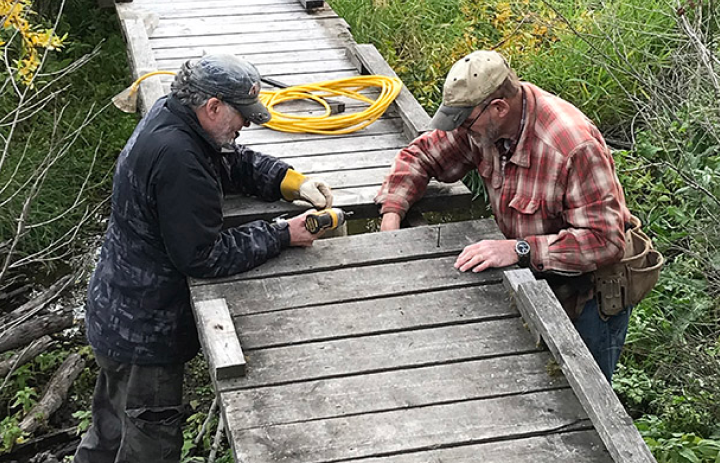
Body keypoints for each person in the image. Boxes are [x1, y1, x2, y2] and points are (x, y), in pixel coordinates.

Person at [74, 55, 333, 463]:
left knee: (107, 434)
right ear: (212, 106)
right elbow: (203, 256)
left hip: (115, 316)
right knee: (149, 448)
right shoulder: (178, 157)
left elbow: (230, 160)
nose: (245, 125)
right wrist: (285, 233)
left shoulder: (174, 115)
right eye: (242, 116)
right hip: (147, 336)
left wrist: (290, 181)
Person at [375, 50, 632, 381]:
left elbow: (605, 240)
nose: (462, 131)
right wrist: (392, 214)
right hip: (535, 284)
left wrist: (519, 249)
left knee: (584, 401)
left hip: (589, 298)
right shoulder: (485, 125)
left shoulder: (572, 147)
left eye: (465, 122)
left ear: (498, 108)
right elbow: (421, 155)